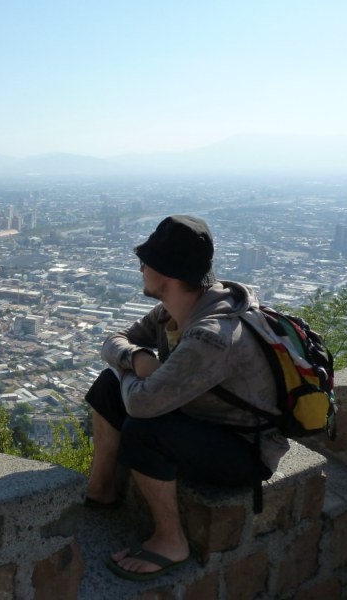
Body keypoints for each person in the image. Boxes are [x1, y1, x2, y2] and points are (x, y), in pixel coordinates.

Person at [84, 215, 289, 581]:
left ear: (167, 273)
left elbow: (142, 405)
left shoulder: (212, 334)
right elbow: (113, 340)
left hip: (245, 450)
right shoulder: (174, 311)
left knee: (144, 427)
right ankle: (102, 489)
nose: (141, 268)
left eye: (145, 262)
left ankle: (171, 541)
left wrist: (130, 370)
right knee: (107, 384)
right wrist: (136, 359)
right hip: (205, 421)